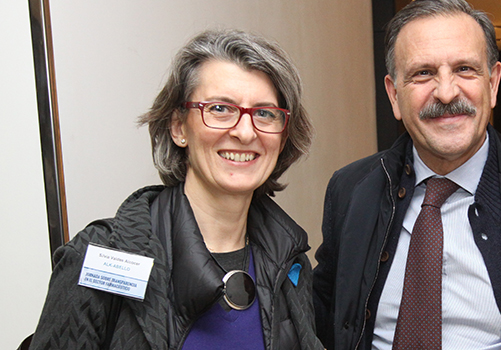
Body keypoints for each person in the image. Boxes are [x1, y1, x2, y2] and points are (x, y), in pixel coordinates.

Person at [312, 0, 501, 349]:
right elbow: (322, 314)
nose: (446, 92)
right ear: (394, 95)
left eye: (464, 69)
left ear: (493, 83)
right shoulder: (351, 190)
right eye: (423, 73)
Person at [30, 29, 323, 350]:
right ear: (179, 127)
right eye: (220, 109)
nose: (244, 131)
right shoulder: (98, 258)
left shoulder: (290, 260)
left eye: (265, 113)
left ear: (282, 138)